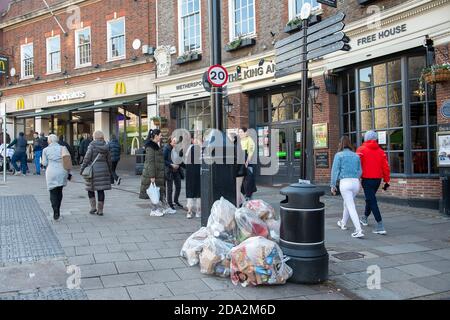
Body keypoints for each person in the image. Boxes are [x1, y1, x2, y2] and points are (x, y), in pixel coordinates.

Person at [357, 130, 391, 235]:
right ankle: (364, 218)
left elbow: (357, 166)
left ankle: (380, 225)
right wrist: (386, 180)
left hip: (366, 180)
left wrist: (356, 178)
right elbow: (386, 167)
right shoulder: (381, 151)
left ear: (365, 138)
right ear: (375, 139)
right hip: (377, 180)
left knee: (372, 200)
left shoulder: (361, 150)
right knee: (370, 199)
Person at [330, 136, 364, 238]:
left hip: (345, 183)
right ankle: (343, 223)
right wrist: (355, 178)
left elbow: (335, 171)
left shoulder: (338, 155)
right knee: (347, 204)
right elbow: (360, 171)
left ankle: (359, 230)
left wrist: (333, 184)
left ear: (341, 144)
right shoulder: (356, 156)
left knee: (350, 206)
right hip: (355, 182)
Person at [140, 129, 174, 216]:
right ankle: (154, 210)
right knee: (154, 192)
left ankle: (165, 207)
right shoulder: (150, 147)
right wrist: (152, 176)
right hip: (153, 173)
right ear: (155, 136)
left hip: (158, 173)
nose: (161, 137)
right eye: (160, 135)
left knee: (160, 191)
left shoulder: (155, 145)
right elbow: (150, 162)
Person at [80, 131, 112, 216]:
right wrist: (109, 170)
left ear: (94, 137)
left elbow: (86, 159)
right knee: (101, 190)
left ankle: (93, 207)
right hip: (103, 170)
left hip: (93, 171)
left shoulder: (91, 146)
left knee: (90, 189)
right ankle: (100, 210)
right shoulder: (106, 146)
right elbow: (109, 160)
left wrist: (82, 169)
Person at [42, 134, 72, 220]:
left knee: (52, 191)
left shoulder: (45, 150)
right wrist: (69, 173)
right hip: (62, 171)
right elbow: (67, 160)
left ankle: (55, 210)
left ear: (49, 141)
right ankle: (58, 209)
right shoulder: (63, 148)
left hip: (51, 171)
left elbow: (44, 163)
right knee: (59, 190)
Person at [184, 134, 201, 219]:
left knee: (189, 192)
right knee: (198, 192)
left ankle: (189, 212)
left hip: (189, 172)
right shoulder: (201, 149)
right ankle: (198, 211)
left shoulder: (187, 149)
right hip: (198, 172)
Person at [164, 137, 183, 211]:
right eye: (174, 141)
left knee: (178, 186)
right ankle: (170, 203)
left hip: (177, 170)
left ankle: (176, 200)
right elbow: (164, 160)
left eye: (176, 141)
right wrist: (171, 165)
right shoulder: (167, 149)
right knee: (170, 188)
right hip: (169, 170)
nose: (176, 143)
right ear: (170, 142)